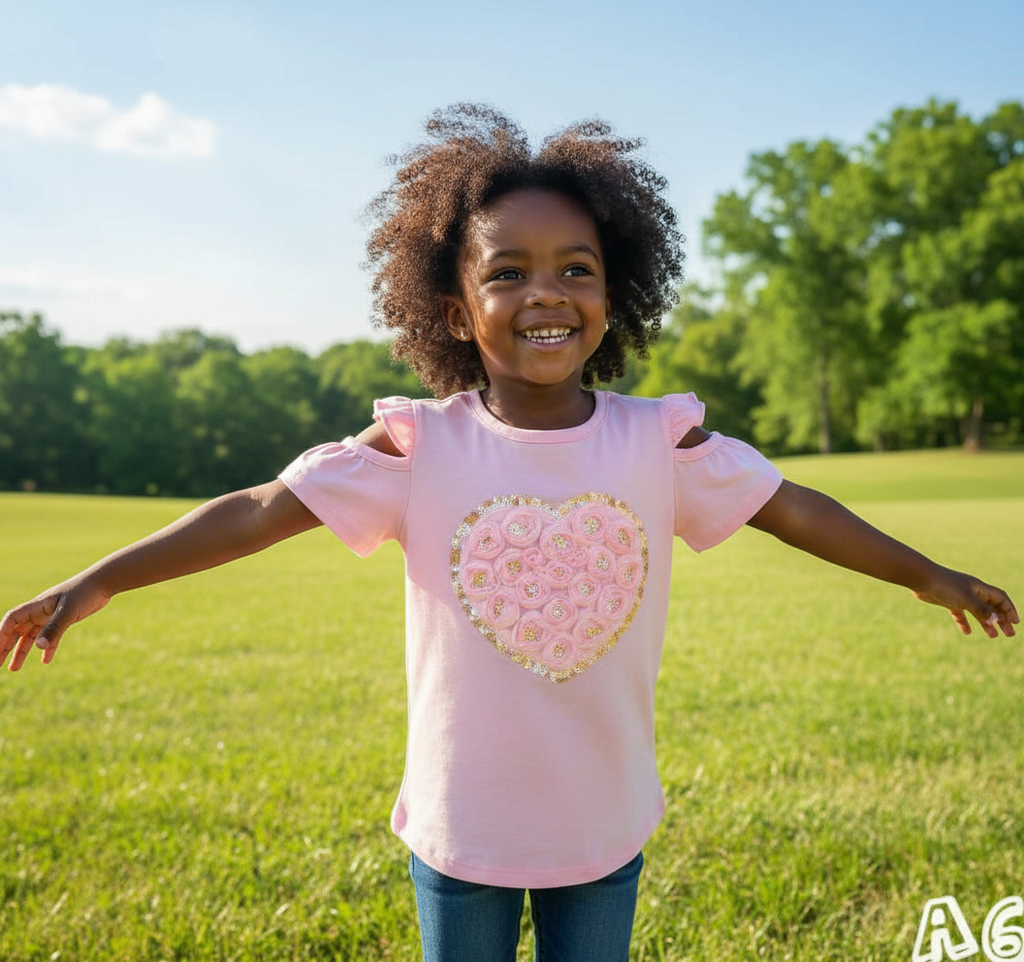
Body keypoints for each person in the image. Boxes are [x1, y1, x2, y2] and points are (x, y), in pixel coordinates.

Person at [1, 104, 1017, 962]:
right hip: (462, 825)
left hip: (602, 815)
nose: (546, 293)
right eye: (508, 272)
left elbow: (790, 505)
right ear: (454, 310)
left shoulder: (658, 438)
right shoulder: (417, 443)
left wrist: (925, 575)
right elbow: (262, 509)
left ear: (613, 292)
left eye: (577, 268)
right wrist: (100, 579)